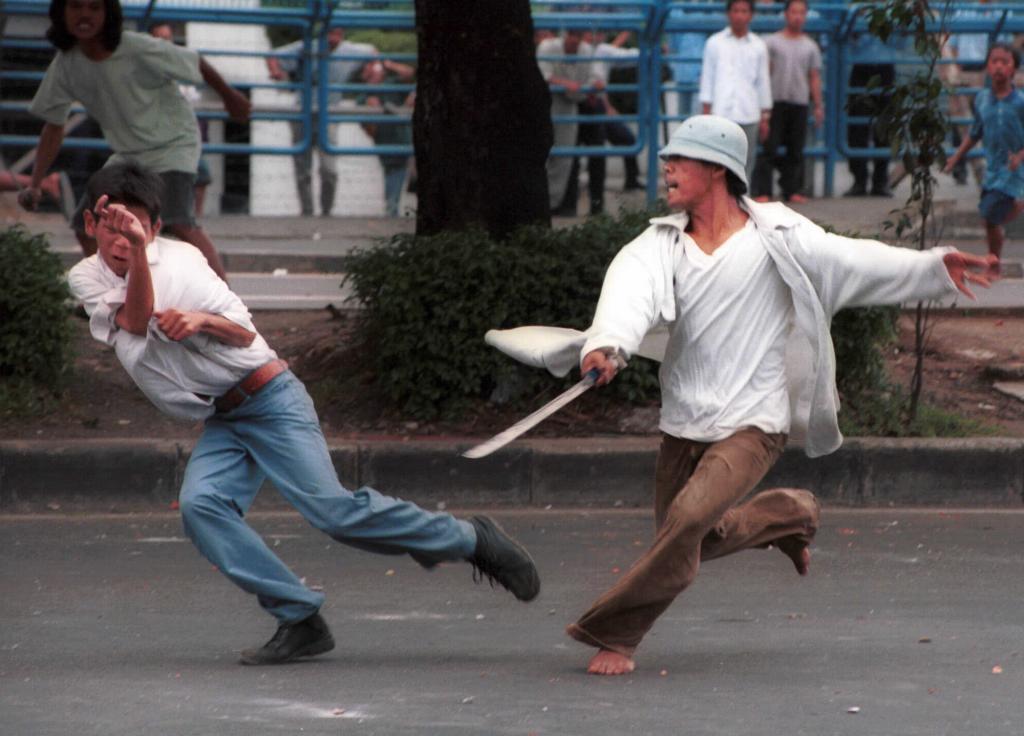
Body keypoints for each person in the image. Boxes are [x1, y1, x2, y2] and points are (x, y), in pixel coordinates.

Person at [484, 116, 994, 676]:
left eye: (679, 159)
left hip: (755, 423)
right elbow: (629, 297)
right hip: (684, 422)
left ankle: (615, 631)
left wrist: (930, 265)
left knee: (687, 522)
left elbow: (853, 260)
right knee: (695, 533)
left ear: (718, 170)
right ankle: (791, 514)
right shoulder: (661, 245)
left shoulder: (778, 236)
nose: (667, 168)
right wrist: (608, 344)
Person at [67, 161, 541, 665]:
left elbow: (245, 335)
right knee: (201, 506)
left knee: (334, 512)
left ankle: (470, 538)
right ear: (91, 225)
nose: (122, 240)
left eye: (134, 228)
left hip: (270, 398)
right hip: (225, 417)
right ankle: (299, 617)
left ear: (155, 230)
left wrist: (202, 318)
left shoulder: (180, 264)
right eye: (112, 227)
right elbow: (136, 320)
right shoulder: (84, 276)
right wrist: (140, 261)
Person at [18, 0, 249, 281]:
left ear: (108, 14)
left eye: (94, 8)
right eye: (76, 6)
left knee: (178, 221)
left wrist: (230, 96)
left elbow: (193, 62)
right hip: (128, 153)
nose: (85, 15)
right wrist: (34, 183)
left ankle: (225, 307)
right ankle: (112, 293)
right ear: (61, 13)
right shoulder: (66, 64)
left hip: (172, 144)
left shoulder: (136, 47)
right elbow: (53, 126)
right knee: (87, 221)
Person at [266, 27, 375, 217]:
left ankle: (326, 212)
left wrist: (370, 69)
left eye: (338, 34)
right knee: (302, 167)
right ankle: (307, 211)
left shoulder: (349, 50)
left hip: (329, 113)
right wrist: (276, 71)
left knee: (329, 169)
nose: (333, 39)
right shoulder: (306, 47)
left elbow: (373, 52)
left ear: (342, 36)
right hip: (303, 111)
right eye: (330, 34)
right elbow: (273, 55)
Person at [944, 43, 1024, 278]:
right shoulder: (982, 100)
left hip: (1014, 171)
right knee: (989, 220)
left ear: (1013, 69)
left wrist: (1020, 156)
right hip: (994, 170)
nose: (999, 67)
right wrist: (956, 158)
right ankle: (994, 261)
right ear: (988, 67)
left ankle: (994, 262)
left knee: (990, 213)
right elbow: (975, 133)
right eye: (994, 61)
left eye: (1005, 62)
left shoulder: (1020, 102)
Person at [751, 0, 823, 203]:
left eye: (802, 13)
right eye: (794, 12)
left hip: (799, 102)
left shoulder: (810, 46)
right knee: (769, 147)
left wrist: (818, 105)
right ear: (785, 14)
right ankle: (763, 191)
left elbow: (814, 76)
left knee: (795, 149)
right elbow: (764, 73)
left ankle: (791, 190)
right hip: (775, 102)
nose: (797, 16)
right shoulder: (772, 42)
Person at [699, 0, 773, 183]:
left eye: (744, 11)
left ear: (751, 15)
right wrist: (706, 112)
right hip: (721, 112)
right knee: (718, 161)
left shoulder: (758, 45)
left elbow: (763, 80)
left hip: (749, 112)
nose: (739, 15)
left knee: (746, 162)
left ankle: (742, 202)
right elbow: (708, 78)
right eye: (736, 10)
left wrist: (765, 115)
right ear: (728, 13)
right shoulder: (714, 43)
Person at [537, 29, 605, 216]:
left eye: (578, 34)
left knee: (578, 155)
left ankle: (588, 205)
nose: (574, 39)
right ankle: (560, 204)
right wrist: (568, 83)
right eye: (571, 34)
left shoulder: (587, 51)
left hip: (580, 105)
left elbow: (595, 78)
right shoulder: (550, 48)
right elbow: (545, 74)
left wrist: (592, 86)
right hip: (559, 104)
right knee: (562, 155)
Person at [148, 22, 213, 217]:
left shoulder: (181, 62)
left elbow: (193, 94)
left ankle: (195, 217)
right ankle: (162, 216)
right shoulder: (146, 64)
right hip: (158, 131)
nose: (164, 42)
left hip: (184, 130)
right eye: (160, 37)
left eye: (167, 37)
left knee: (201, 175)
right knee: (159, 176)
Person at [354, 57, 416, 217]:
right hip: (384, 145)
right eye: (367, 68)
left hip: (401, 142)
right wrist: (372, 115)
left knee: (396, 175)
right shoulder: (363, 97)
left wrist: (389, 64)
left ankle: (392, 211)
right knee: (392, 175)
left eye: (373, 66)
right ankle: (392, 211)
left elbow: (410, 73)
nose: (372, 70)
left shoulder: (392, 84)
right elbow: (369, 131)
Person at [583, 30, 644, 192]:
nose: (593, 35)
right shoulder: (585, 51)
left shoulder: (601, 50)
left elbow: (628, 57)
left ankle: (631, 181)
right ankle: (592, 190)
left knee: (628, 139)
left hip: (600, 107)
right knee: (595, 146)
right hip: (584, 106)